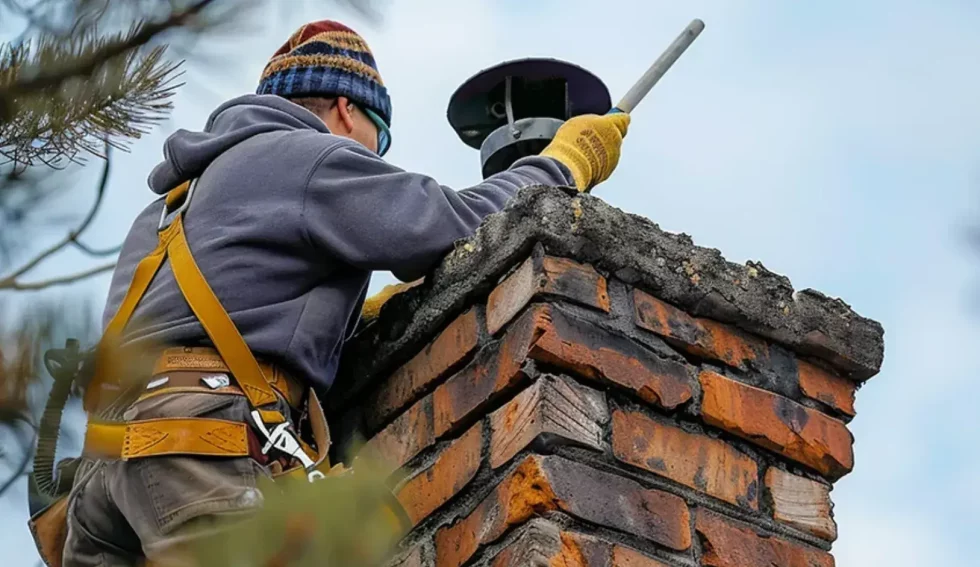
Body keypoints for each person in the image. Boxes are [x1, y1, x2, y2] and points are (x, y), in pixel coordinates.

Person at [60, 19, 630, 566]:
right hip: (196, 450)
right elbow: (458, 222)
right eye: (377, 138)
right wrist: (560, 163)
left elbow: (219, 314)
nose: (375, 156)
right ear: (344, 108)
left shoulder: (166, 208)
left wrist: (348, 324)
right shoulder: (308, 157)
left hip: (101, 483)